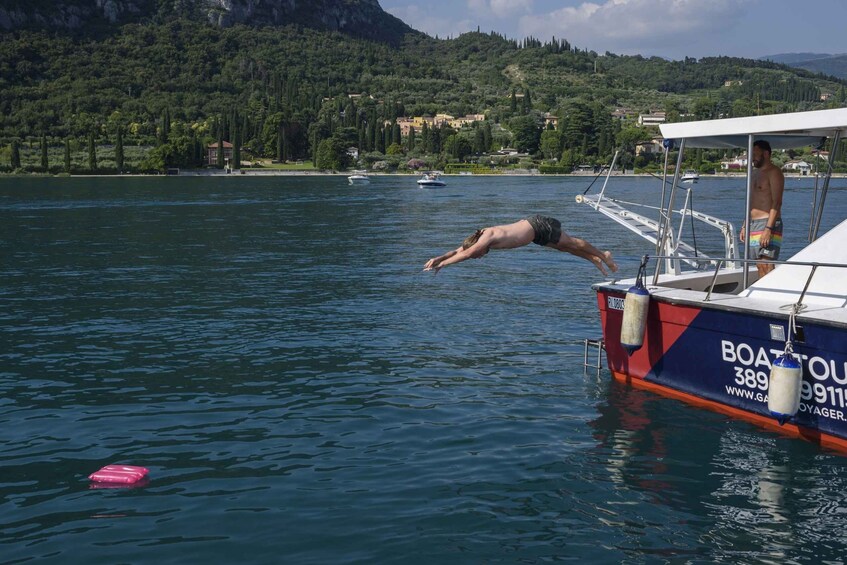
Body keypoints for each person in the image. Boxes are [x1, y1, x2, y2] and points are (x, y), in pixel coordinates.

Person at [423, 215, 618, 275]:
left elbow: (468, 253)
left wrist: (443, 266)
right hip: (533, 236)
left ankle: (603, 255)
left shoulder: (487, 236)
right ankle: (594, 259)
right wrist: (439, 258)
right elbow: (459, 251)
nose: (479, 256)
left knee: (571, 242)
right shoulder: (477, 241)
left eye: (478, 255)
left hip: (537, 225)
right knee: (563, 247)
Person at [739, 140, 785, 278]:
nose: (752, 157)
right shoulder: (754, 173)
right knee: (759, 264)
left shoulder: (774, 173)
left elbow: (777, 202)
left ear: (766, 153)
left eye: (755, 153)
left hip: (768, 223)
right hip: (753, 224)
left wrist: (768, 229)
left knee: (767, 263)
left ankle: (770, 296)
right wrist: (744, 225)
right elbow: (752, 201)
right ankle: (762, 296)